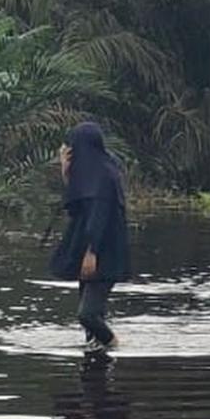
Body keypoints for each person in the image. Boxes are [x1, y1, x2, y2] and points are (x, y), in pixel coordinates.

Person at [50, 122, 131, 354]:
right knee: (91, 323)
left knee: (87, 315)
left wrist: (92, 252)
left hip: (103, 252)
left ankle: (114, 345)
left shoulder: (105, 175)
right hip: (89, 250)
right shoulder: (91, 174)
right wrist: (65, 172)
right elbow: (76, 208)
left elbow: (101, 217)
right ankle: (97, 371)